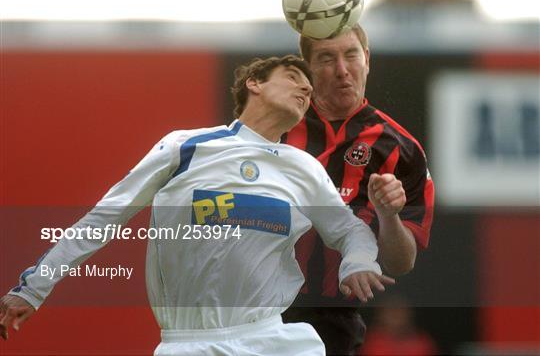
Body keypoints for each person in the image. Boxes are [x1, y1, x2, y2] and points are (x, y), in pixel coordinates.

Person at [0, 55, 395, 355]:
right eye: (294, 79)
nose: (305, 91)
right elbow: (106, 216)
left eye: (309, 91)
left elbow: (349, 230)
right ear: (254, 84)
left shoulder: (303, 168)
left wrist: (359, 262)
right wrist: (35, 287)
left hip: (273, 338)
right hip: (189, 342)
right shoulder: (186, 146)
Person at [282, 24, 435, 355]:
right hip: (258, 313)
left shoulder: (402, 149)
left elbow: (401, 262)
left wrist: (389, 216)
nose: (342, 70)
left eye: (351, 55)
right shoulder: (275, 132)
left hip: (331, 323)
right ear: (306, 67)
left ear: (366, 59)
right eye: (326, 58)